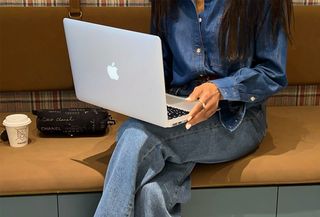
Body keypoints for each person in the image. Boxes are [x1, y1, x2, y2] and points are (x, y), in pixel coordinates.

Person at [94, 0, 293, 216]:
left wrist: (220, 89)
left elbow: (272, 73)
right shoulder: (166, 3)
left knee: (134, 135)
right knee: (152, 192)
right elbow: (162, 67)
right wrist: (133, 84)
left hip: (236, 117)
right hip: (181, 109)